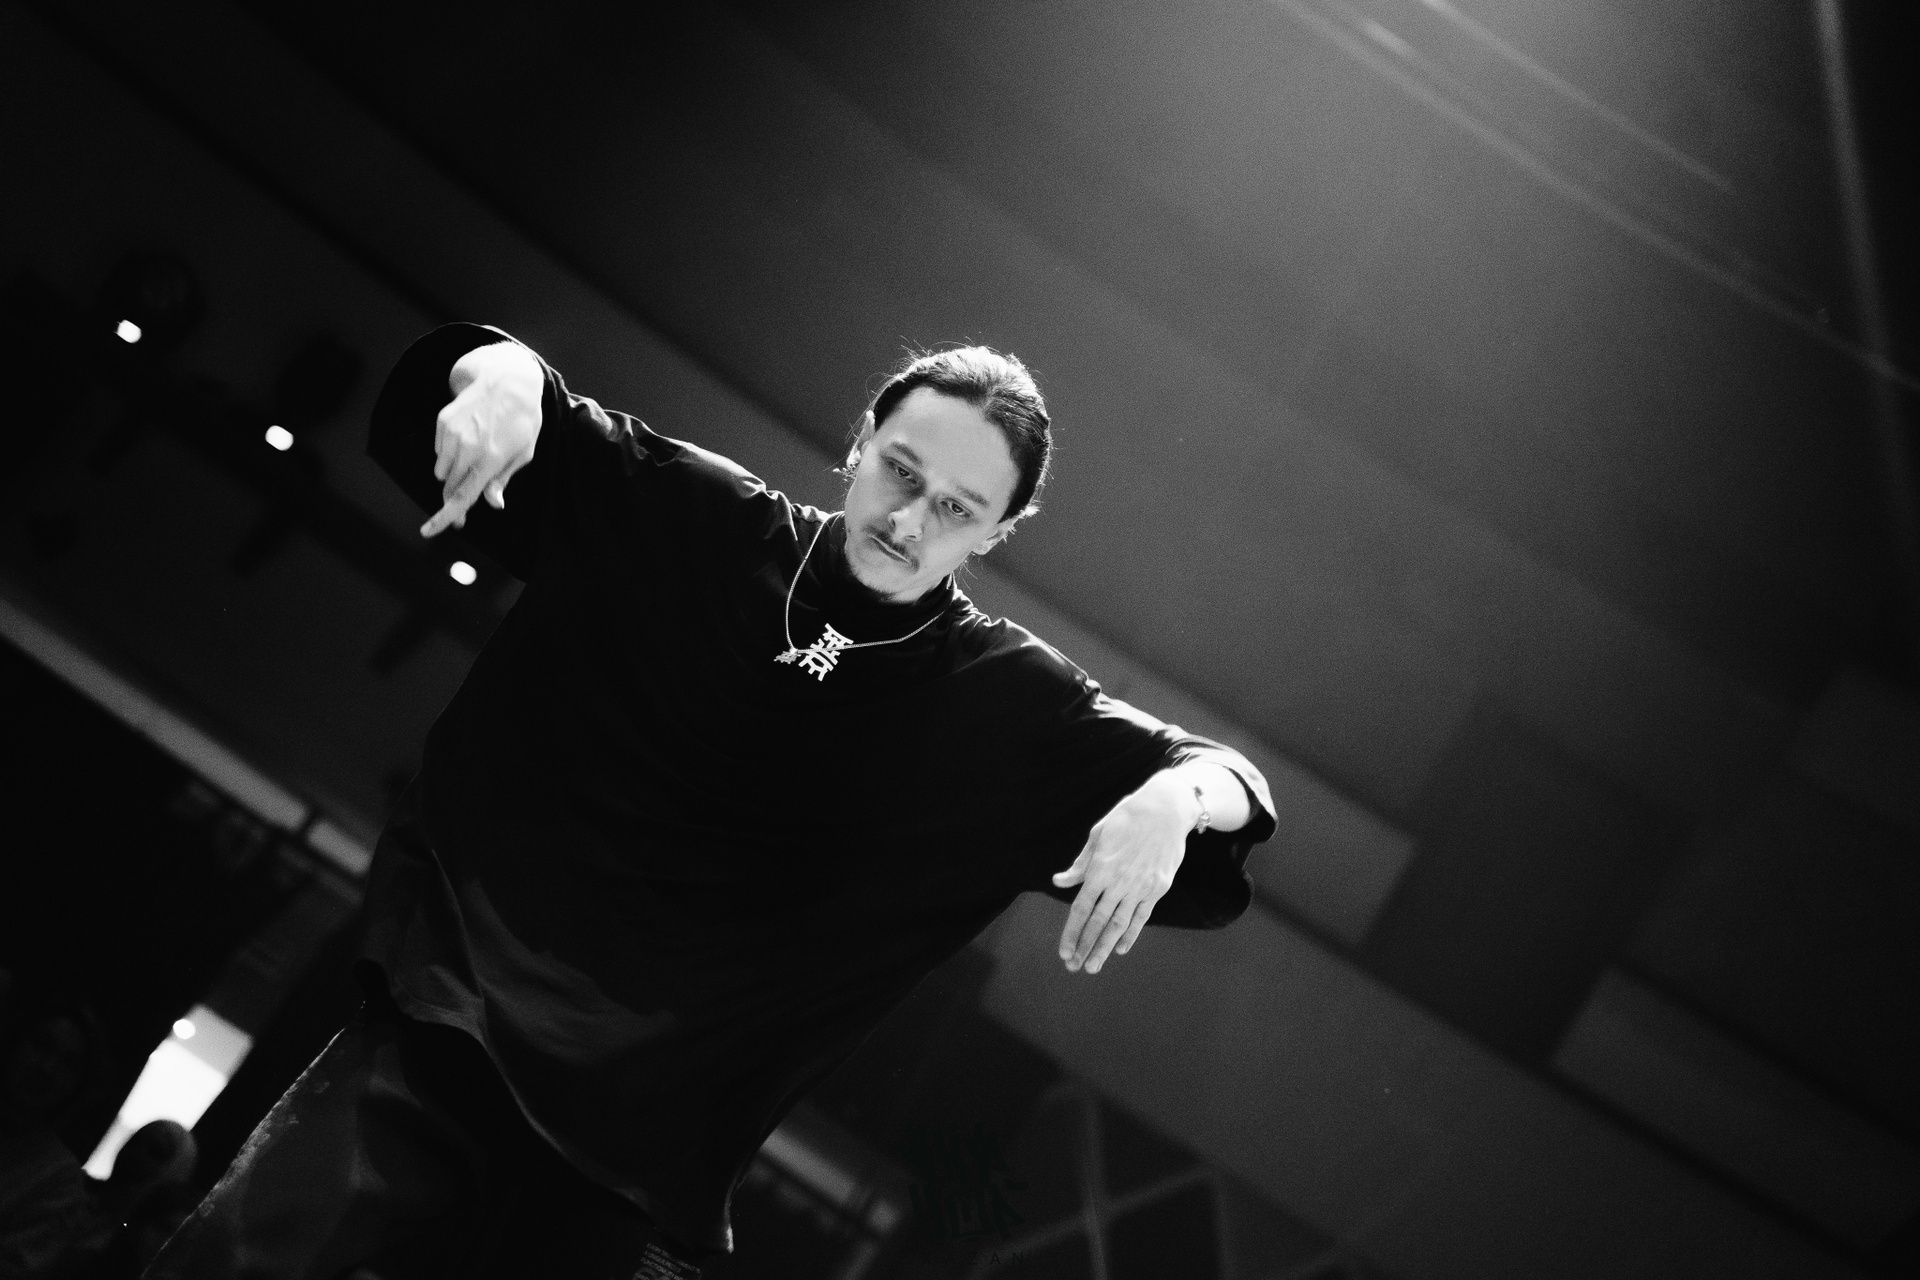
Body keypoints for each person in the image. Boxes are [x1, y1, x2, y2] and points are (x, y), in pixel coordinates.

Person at [147, 325, 1276, 1279]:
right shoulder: (702, 519)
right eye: (899, 472)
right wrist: (498, 369)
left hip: (643, 1155)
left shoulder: (1007, 703)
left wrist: (1178, 795)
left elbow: (1231, 781)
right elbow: (520, 387)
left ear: (995, 534)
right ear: (859, 444)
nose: (910, 520)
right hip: (456, 1018)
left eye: (956, 508)